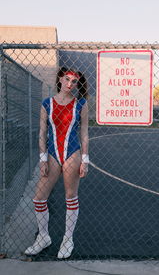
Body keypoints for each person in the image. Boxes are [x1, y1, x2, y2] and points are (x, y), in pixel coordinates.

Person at [25, 67, 89, 259]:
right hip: (52, 154)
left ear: (77, 84)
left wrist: (85, 160)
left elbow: (84, 133)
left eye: (74, 81)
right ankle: (43, 237)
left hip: (73, 152)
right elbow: (42, 133)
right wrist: (43, 158)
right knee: (39, 198)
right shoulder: (47, 104)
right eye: (67, 79)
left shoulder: (81, 104)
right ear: (60, 79)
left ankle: (67, 239)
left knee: (70, 196)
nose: (70, 84)